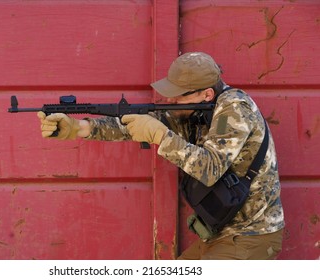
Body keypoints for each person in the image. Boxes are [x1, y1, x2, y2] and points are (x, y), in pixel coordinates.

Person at [37, 52, 285, 260]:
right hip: (220, 234)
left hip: (252, 236)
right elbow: (136, 125)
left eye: (178, 95)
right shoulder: (194, 111)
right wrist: (79, 127)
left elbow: (210, 169)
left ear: (207, 94)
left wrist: (162, 137)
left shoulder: (235, 108)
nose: (169, 100)